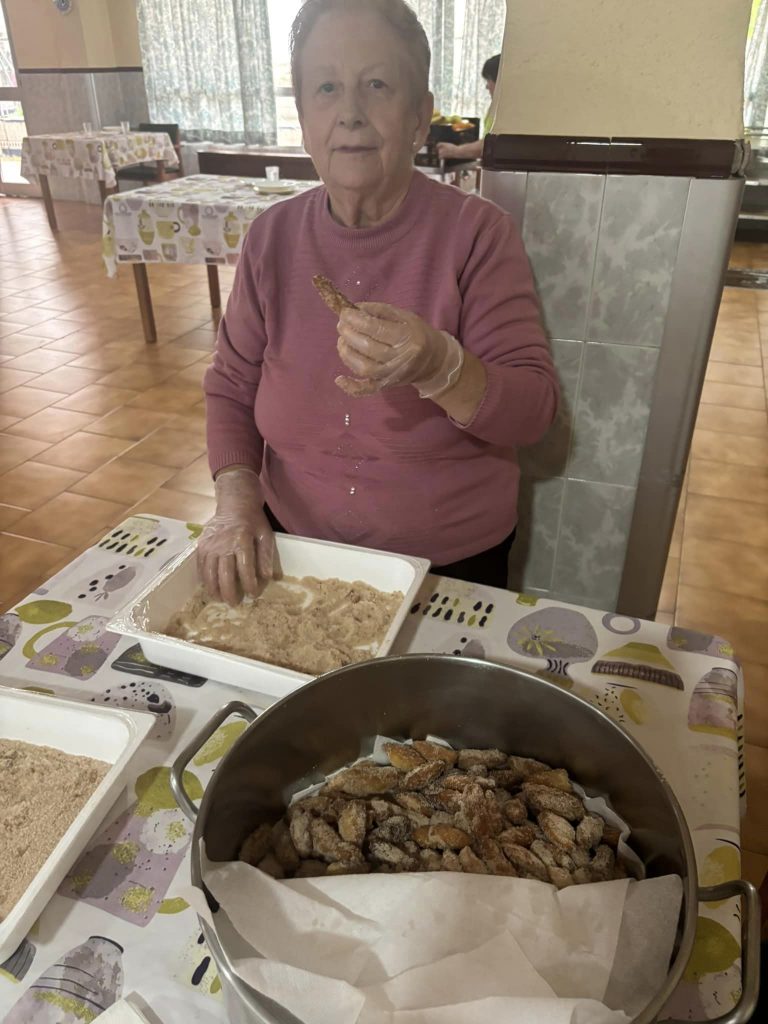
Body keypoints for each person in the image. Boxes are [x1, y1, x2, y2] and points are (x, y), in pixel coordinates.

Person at [199, 0, 558, 605]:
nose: (350, 113)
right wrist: (236, 502)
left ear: (420, 116)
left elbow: (533, 412)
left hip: (447, 565)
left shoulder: (478, 235)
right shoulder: (271, 237)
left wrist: (442, 366)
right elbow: (232, 387)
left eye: (377, 85)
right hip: (293, 547)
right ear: (303, 118)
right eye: (327, 88)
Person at [436, 54, 500, 162]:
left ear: (499, 81)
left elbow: (490, 146)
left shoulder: (507, 111)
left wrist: (454, 151)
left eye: (489, 80)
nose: (487, 86)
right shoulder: (495, 108)